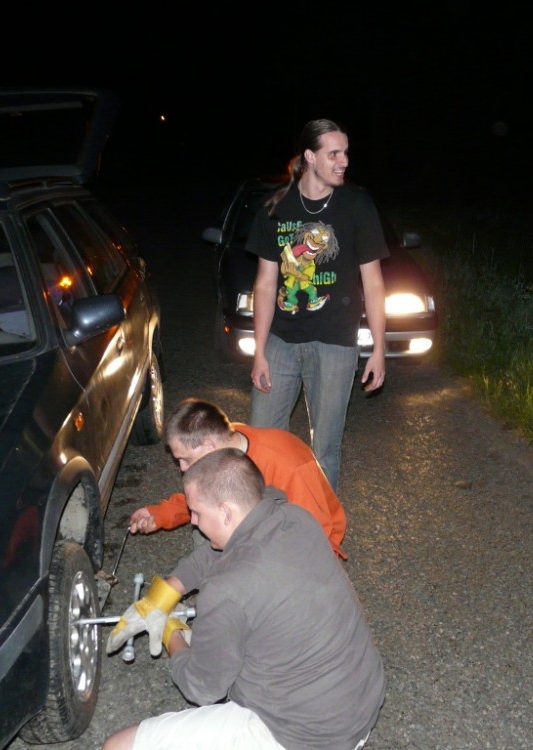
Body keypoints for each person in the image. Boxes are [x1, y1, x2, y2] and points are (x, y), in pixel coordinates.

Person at [103, 448, 385, 750]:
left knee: (117, 746)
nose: (193, 521)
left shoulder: (226, 590)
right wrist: (164, 594)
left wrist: (171, 630)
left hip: (309, 737)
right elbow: (219, 552)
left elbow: (201, 688)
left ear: (226, 512)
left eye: (197, 512)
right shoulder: (296, 518)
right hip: (361, 700)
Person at [247, 118, 388, 491]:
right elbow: (265, 284)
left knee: (324, 450)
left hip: (336, 343)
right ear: (310, 156)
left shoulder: (357, 205)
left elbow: (374, 283)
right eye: (334, 154)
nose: (344, 161)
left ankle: (321, 521)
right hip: (280, 342)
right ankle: (268, 518)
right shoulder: (275, 208)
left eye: (346, 153)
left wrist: (378, 348)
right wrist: (259, 351)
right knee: (262, 443)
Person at [128, 397, 347, 558]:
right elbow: (203, 498)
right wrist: (160, 514)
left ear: (209, 446)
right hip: (257, 524)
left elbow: (317, 535)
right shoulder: (224, 445)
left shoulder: (286, 464)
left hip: (298, 541)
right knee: (206, 531)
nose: (183, 469)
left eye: (185, 459)